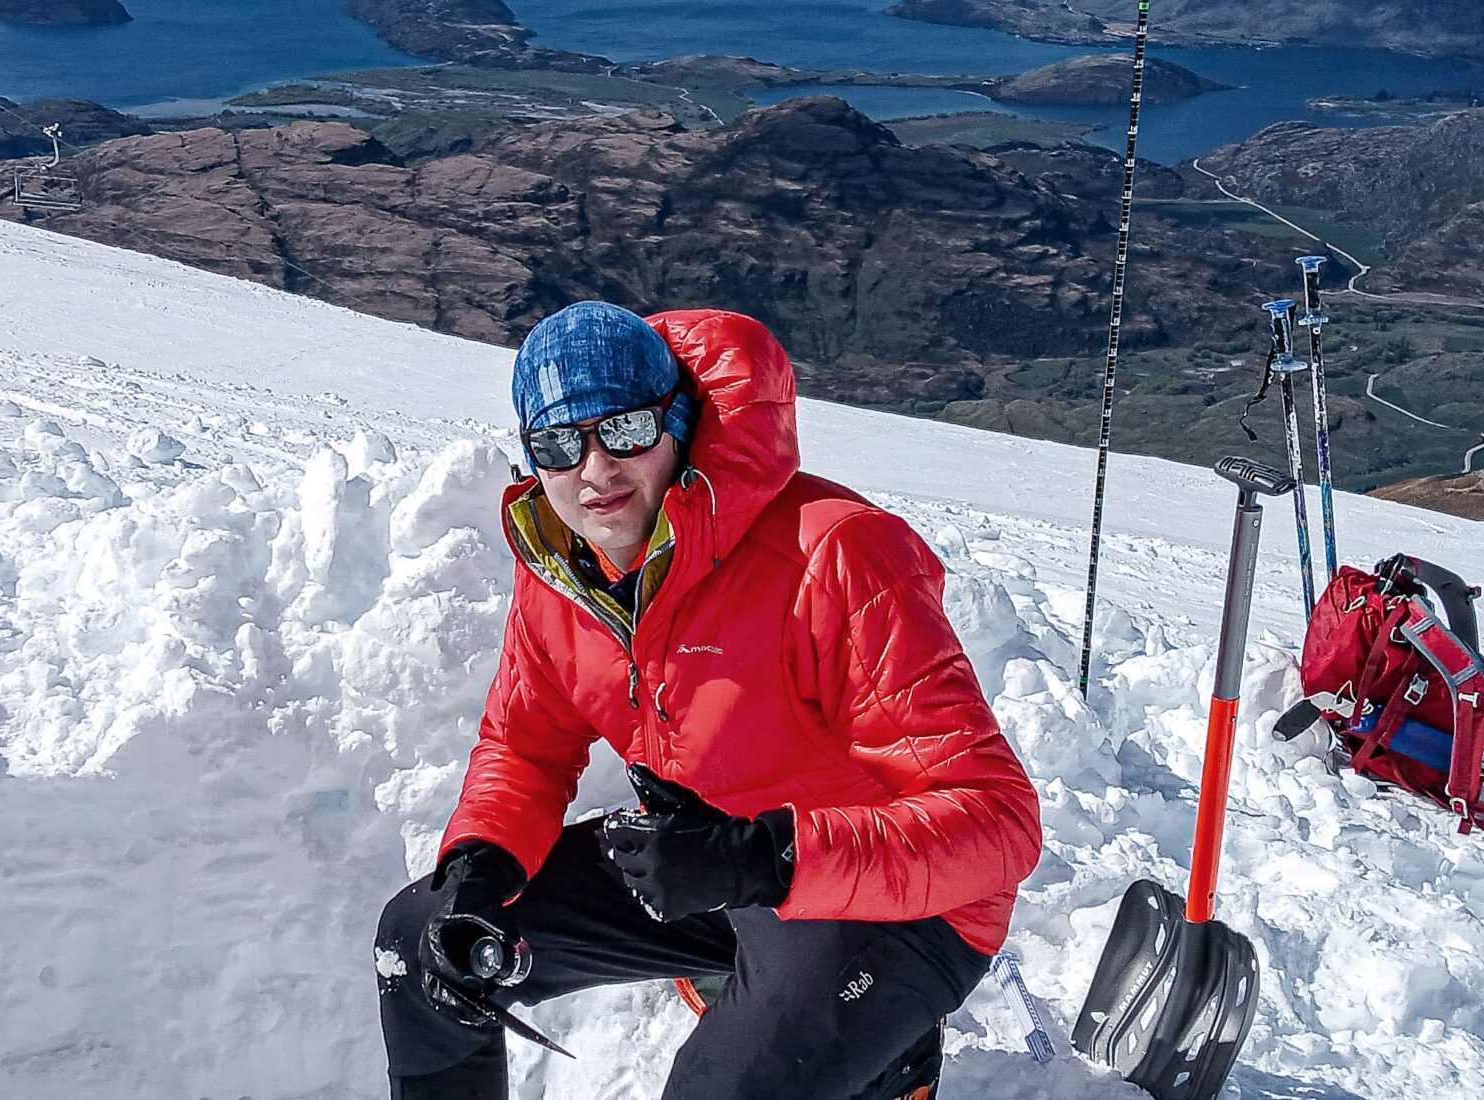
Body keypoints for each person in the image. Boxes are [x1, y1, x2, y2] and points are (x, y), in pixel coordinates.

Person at [375, 301, 1044, 1100]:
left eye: (621, 430)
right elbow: (524, 745)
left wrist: (769, 859)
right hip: (707, 870)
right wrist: (481, 865)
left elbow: (998, 823)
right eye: (557, 444)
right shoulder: (563, 569)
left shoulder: (836, 555)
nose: (594, 472)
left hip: (897, 907)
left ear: (680, 423)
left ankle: (886, 1053)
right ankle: (754, 982)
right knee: (422, 947)